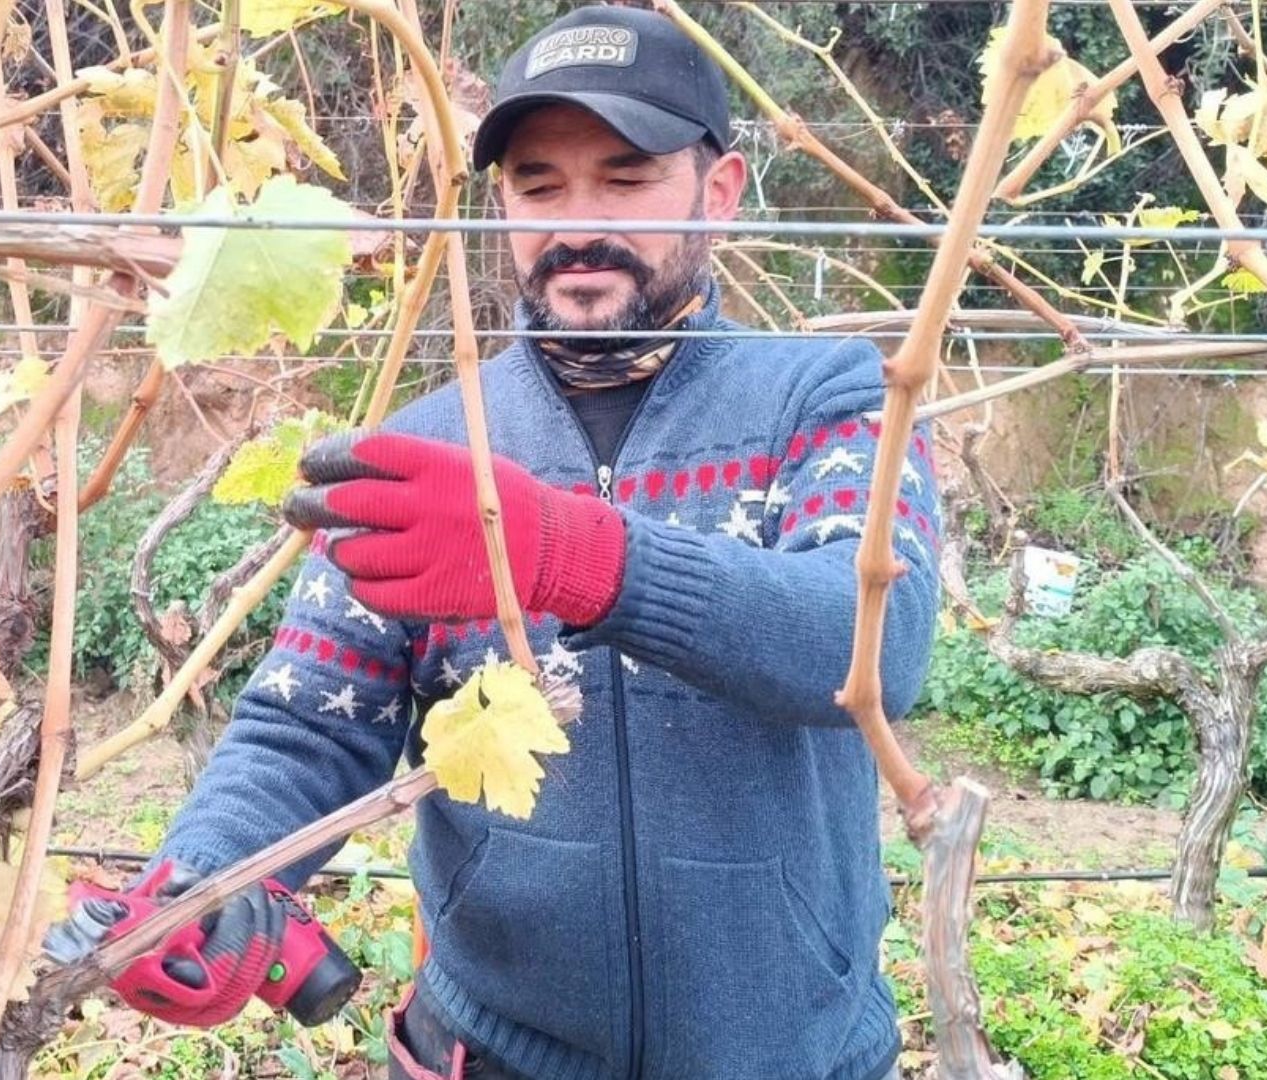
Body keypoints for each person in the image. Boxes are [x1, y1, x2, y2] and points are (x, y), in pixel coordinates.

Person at [47, 6, 940, 1078]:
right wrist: (207, 883)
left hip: (792, 1054)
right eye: (538, 184)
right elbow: (307, 726)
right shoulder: (424, 452)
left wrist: (572, 555)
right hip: (490, 1055)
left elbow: (868, 650)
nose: (578, 224)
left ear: (721, 191)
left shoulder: (832, 398)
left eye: (627, 178)